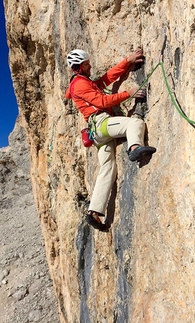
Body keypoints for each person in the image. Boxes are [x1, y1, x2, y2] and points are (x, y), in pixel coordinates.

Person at [65, 48, 156, 231]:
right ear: (80, 66)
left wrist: (127, 62)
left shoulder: (83, 82)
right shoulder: (80, 85)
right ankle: (134, 148)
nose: (90, 66)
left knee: (107, 168)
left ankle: (94, 211)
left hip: (97, 132)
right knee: (135, 124)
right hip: (101, 123)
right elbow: (102, 102)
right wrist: (129, 93)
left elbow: (106, 78)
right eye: (87, 64)